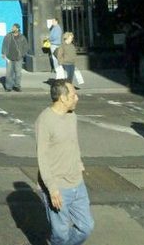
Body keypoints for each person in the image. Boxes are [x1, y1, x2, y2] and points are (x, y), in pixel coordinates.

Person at [36, 79, 95, 245]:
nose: (77, 98)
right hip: (58, 187)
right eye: (74, 95)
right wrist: (52, 189)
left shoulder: (71, 116)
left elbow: (73, 143)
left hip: (77, 183)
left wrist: (79, 164)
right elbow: (42, 157)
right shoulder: (45, 120)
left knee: (86, 227)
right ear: (62, 98)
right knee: (60, 234)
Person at [1, 23, 29, 92]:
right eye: (12, 27)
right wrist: (3, 53)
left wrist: (22, 54)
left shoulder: (22, 37)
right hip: (9, 57)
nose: (12, 28)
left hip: (18, 58)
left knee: (18, 73)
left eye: (14, 27)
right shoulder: (8, 36)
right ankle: (8, 87)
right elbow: (4, 44)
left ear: (17, 29)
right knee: (8, 73)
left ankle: (17, 86)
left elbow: (26, 47)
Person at [123, 20, 144, 87]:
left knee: (133, 67)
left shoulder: (130, 34)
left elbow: (141, 31)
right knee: (134, 67)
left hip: (132, 52)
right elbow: (141, 31)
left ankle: (133, 81)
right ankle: (134, 80)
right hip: (133, 52)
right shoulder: (132, 34)